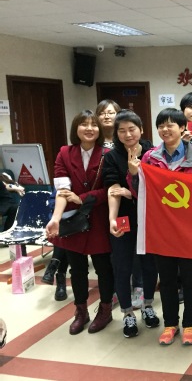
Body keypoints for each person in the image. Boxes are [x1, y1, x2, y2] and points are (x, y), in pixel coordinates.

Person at [128, 107, 192, 347]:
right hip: (161, 229)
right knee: (167, 278)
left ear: (182, 127)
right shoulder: (150, 158)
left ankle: (190, 324)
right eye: (161, 126)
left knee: (190, 278)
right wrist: (133, 175)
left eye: (170, 125)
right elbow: (139, 193)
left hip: (188, 229)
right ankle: (170, 324)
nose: (165, 129)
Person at [45, 110, 115, 335]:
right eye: (84, 124)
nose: (89, 128)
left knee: (104, 268)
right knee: (77, 269)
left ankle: (105, 310)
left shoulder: (107, 154)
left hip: (98, 216)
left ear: (99, 130)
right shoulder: (65, 153)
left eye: (93, 124)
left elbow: (111, 189)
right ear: (76, 129)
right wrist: (55, 219)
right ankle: (81, 311)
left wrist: (82, 198)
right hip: (73, 219)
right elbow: (62, 190)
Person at [103, 109, 159, 338]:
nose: (128, 134)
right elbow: (113, 189)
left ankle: (147, 305)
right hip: (124, 218)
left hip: (149, 218)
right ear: (116, 133)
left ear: (141, 130)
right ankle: (127, 313)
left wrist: (133, 190)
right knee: (123, 266)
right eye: (122, 130)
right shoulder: (111, 156)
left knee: (149, 265)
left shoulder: (153, 153)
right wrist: (112, 219)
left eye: (132, 129)